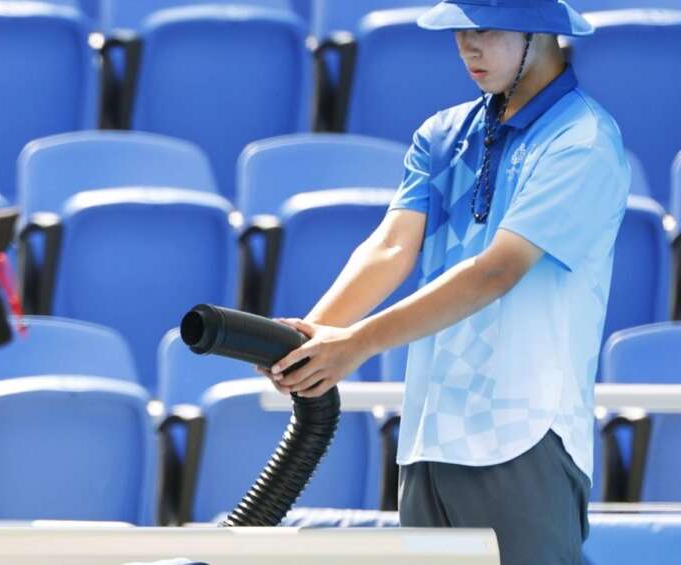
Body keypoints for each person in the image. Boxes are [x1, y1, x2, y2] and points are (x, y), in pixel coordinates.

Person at [261, 1, 629, 563]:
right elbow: (389, 248)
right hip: (430, 435)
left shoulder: (583, 140)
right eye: (459, 31)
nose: (466, 46)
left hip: (524, 433)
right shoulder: (442, 132)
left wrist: (354, 344)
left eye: (483, 29)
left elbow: (497, 270)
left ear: (540, 31)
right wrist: (309, 340)